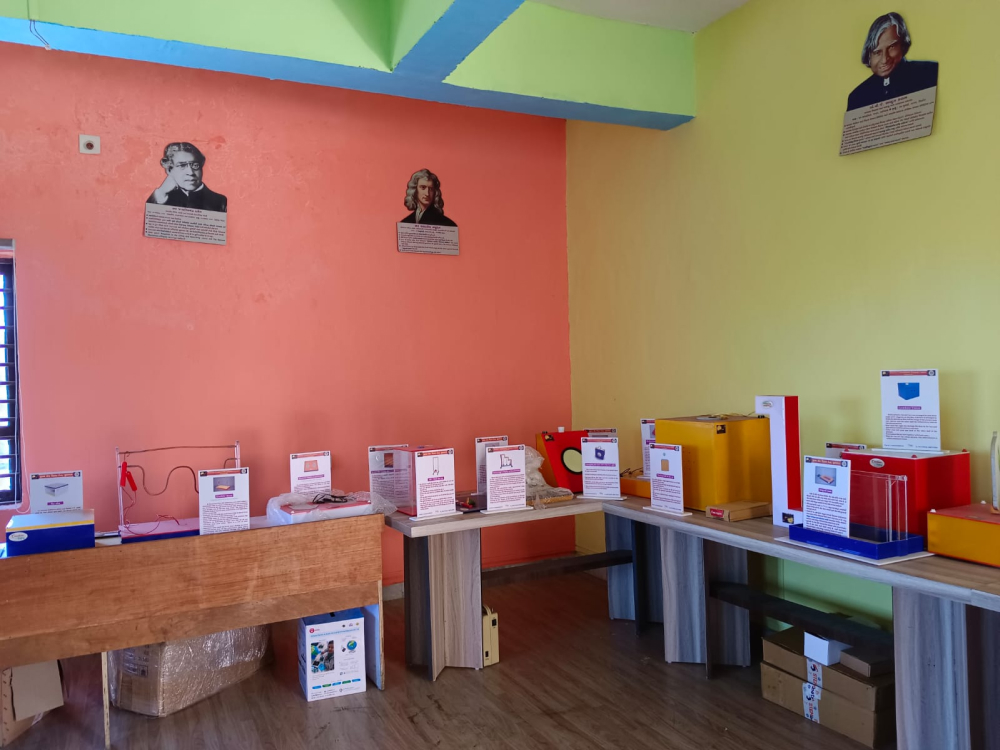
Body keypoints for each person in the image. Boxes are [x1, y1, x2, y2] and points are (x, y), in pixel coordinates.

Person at [847, 13, 938, 111]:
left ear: (903, 45)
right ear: (869, 57)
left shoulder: (929, 72)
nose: (885, 59)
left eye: (891, 47)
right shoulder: (857, 97)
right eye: (877, 52)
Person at [147, 142, 228, 212]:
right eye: (182, 165)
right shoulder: (160, 198)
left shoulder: (220, 202)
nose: (190, 172)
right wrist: (161, 192)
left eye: (195, 165)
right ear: (169, 170)